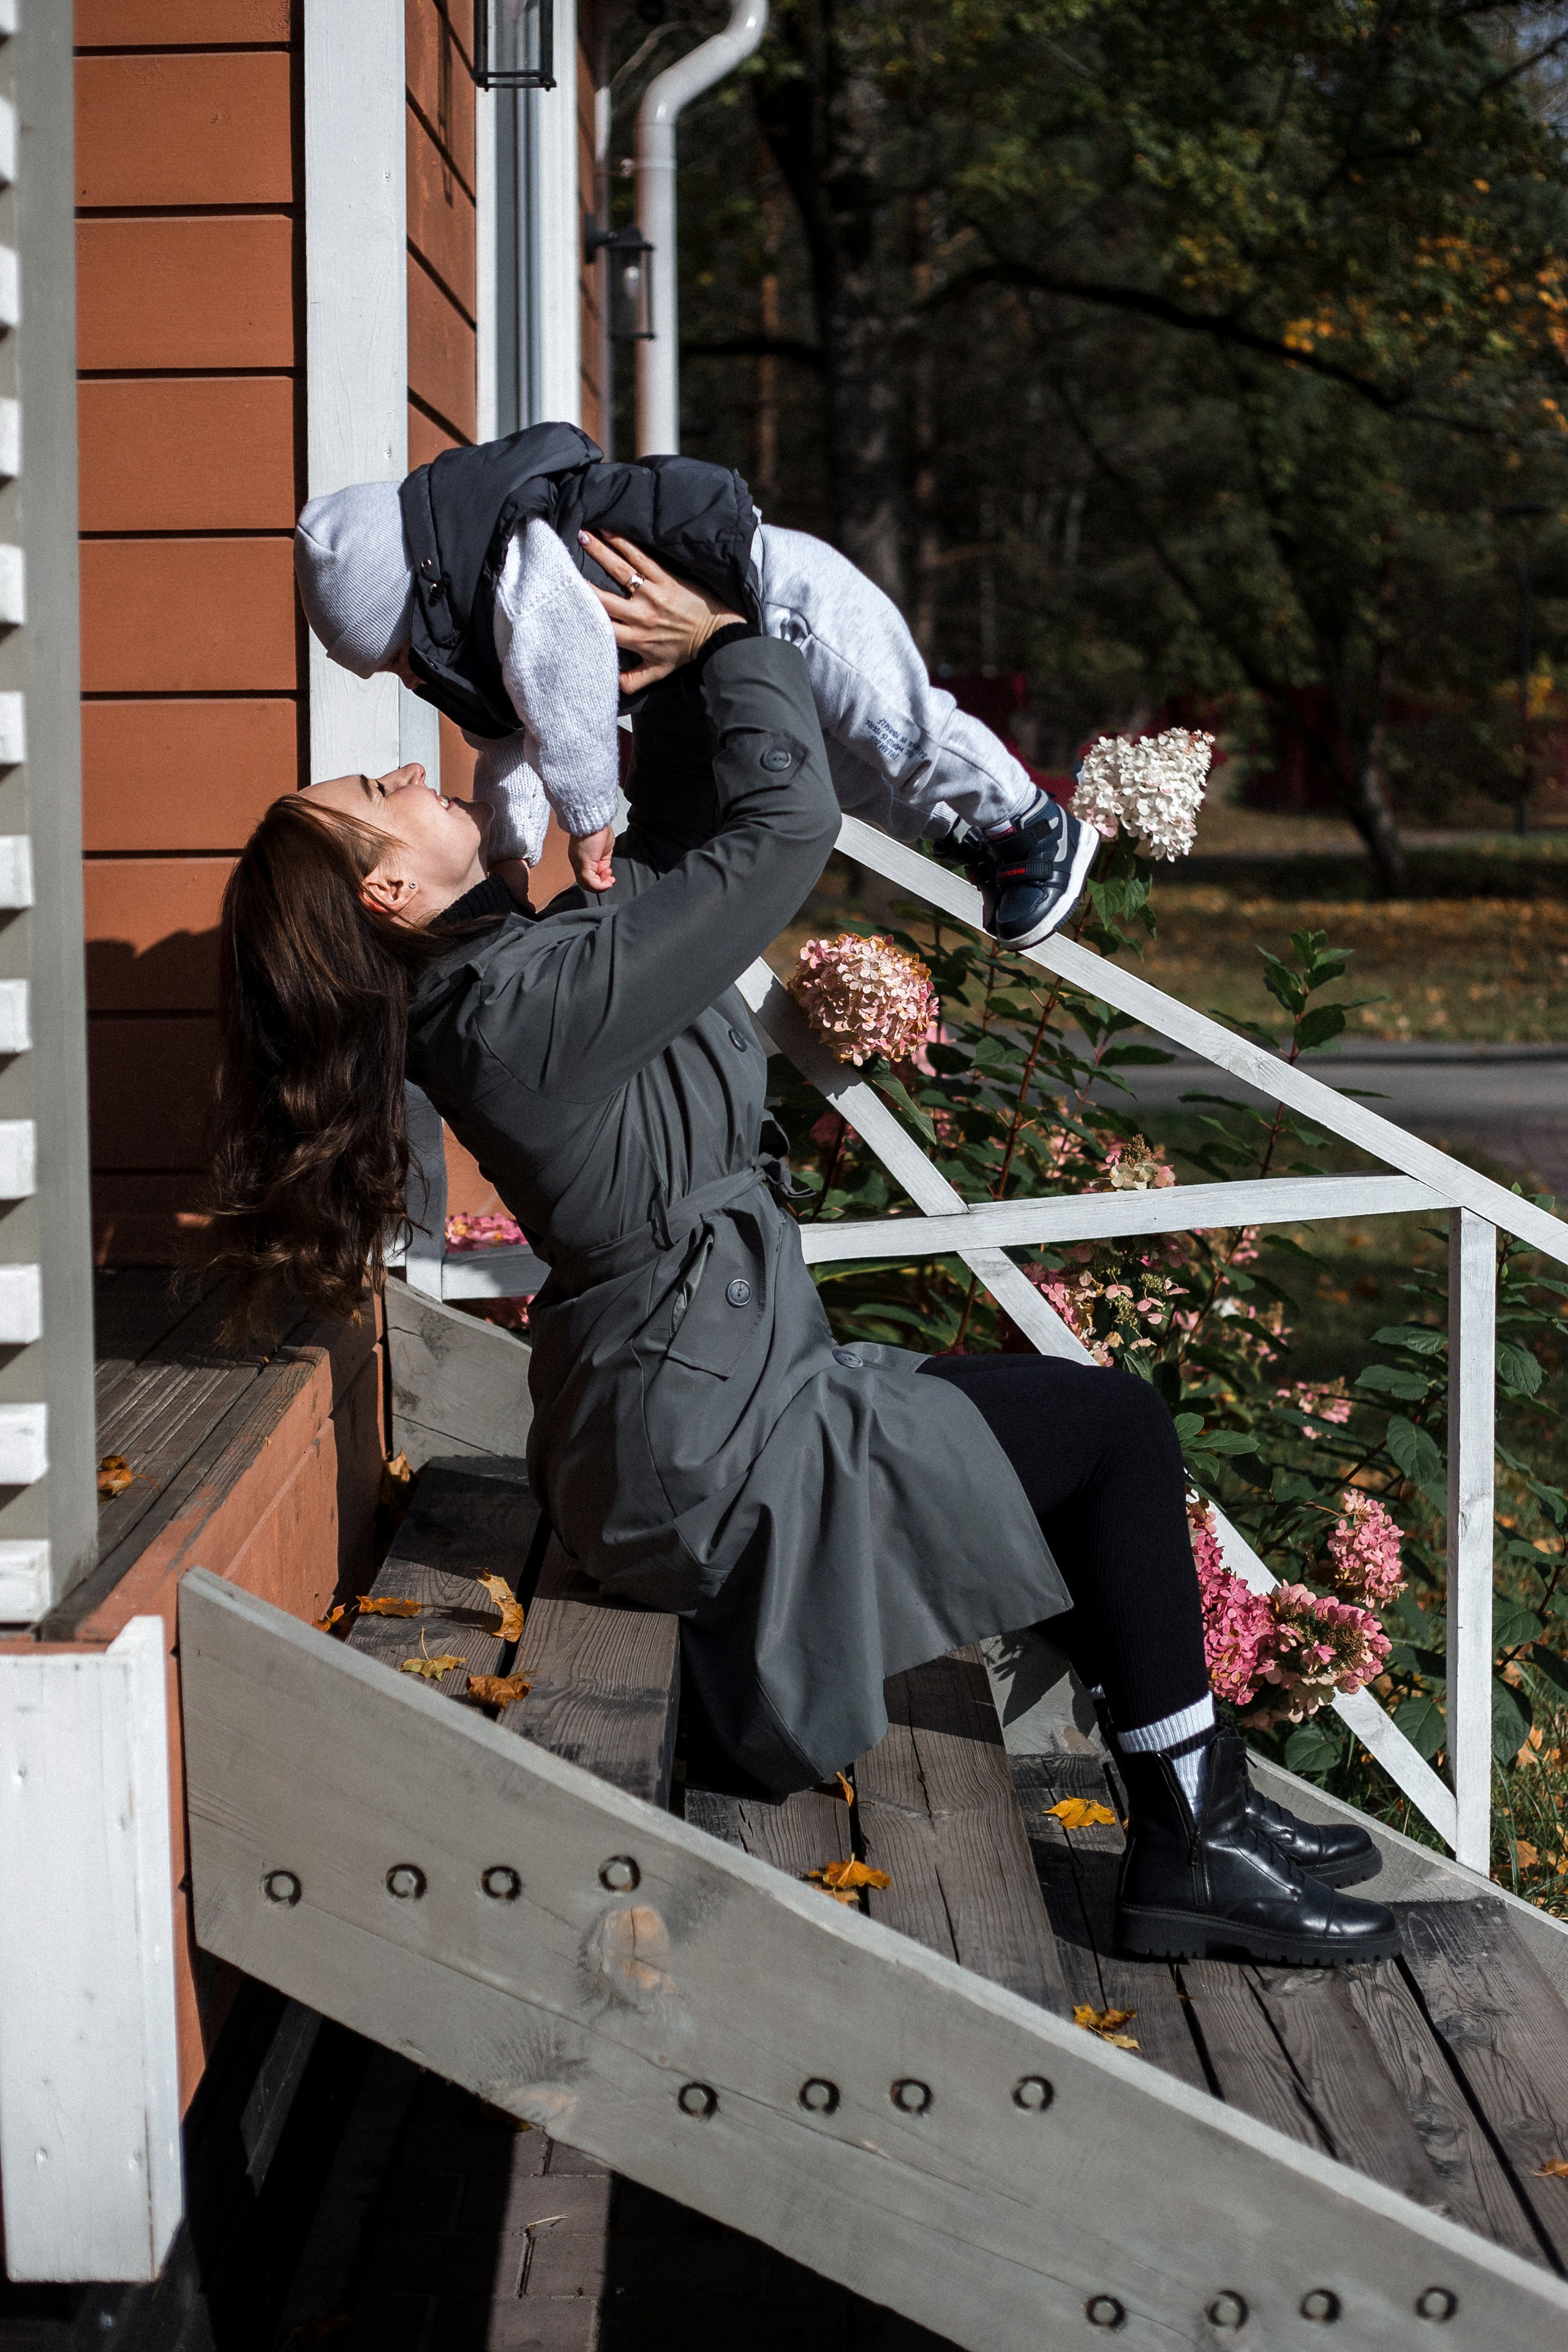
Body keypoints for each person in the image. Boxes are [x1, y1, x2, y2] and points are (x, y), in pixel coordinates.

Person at [213, 540, 1396, 1970]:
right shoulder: (520, 1013)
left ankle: (1200, 1806)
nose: (409, 773)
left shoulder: (519, 977)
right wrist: (733, 644)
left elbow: (679, 843)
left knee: (1084, 1432)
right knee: (1113, 1435)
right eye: (375, 795)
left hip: (713, 1388)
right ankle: (1190, 1838)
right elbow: (784, 833)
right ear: (389, 895)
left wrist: (654, 673)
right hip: (709, 1448)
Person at [291, 426, 1096, 950]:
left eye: (399, 657)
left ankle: (1033, 823)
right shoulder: (470, 623)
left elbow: (563, 672)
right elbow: (511, 743)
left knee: (904, 731)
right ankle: (970, 837)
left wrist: (589, 816)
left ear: (418, 598)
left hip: (787, 602)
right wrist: (508, 852)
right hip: (724, 662)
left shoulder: (515, 567)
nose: (411, 676)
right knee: (850, 777)